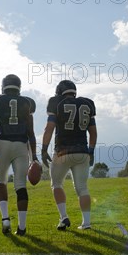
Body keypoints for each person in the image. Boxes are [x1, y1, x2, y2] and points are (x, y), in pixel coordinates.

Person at [0, 74, 38, 236]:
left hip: (3, 145)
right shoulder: (28, 103)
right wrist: (34, 156)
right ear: (19, 87)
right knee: (20, 186)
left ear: (3, 87)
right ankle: (22, 227)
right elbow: (31, 133)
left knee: (1, 182)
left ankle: (5, 219)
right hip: (21, 146)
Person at [41, 80, 97, 230]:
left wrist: (44, 149)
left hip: (62, 152)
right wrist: (91, 151)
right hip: (82, 152)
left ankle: (64, 217)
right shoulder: (87, 104)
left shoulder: (56, 102)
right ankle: (86, 223)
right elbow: (93, 132)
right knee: (82, 188)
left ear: (59, 92)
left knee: (56, 184)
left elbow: (49, 128)